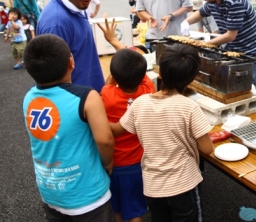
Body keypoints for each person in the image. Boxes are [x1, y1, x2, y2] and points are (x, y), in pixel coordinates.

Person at [109, 43, 214, 222]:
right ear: (193, 78)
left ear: (160, 72)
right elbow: (207, 148)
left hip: (153, 186)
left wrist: (90, 113)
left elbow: (117, 129)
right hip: (183, 184)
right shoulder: (189, 107)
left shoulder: (140, 103)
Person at [22, 34, 115, 221]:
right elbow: (104, 140)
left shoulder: (28, 98)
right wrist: (108, 163)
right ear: (71, 62)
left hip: (50, 191)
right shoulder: (87, 97)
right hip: (88, 194)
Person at [99, 23, 155, 222]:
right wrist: (116, 42)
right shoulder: (148, 90)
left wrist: (112, 43)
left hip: (114, 163)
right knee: (135, 210)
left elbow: (107, 85)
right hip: (138, 163)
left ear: (114, 75)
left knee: (117, 209)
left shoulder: (107, 94)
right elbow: (139, 69)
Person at [182, 0, 256, 84]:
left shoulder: (233, 1)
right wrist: (185, 22)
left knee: (253, 91)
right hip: (234, 52)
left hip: (252, 55)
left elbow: (230, 35)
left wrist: (202, 45)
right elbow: (200, 13)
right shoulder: (212, 1)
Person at [36, 0, 105, 93]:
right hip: (76, 104)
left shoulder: (78, 5)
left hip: (89, 95)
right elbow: (53, 81)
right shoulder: (56, 23)